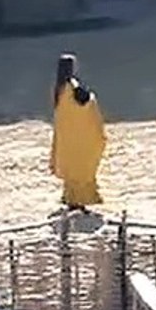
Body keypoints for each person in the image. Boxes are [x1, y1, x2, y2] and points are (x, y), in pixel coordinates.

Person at [49, 53, 107, 210]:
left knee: (72, 169)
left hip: (66, 136)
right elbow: (85, 103)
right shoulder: (73, 87)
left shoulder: (59, 88)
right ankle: (79, 201)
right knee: (82, 168)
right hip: (80, 135)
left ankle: (71, 199)